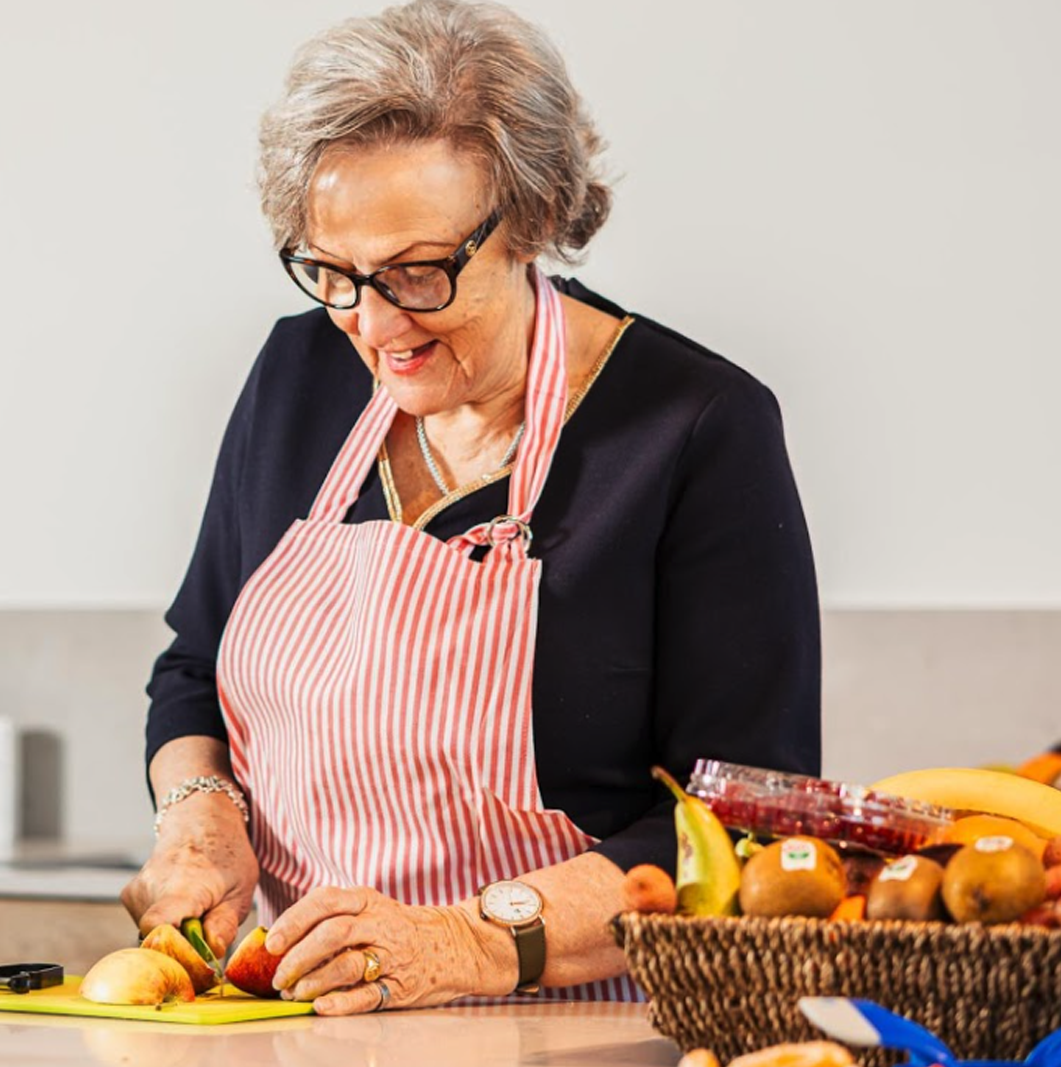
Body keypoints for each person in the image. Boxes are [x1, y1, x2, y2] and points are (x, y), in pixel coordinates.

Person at [121, 0, 820, 1013]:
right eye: (332, 271)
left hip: (579, 1030)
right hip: (311, 1022)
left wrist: (466, 941)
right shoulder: (297, 374)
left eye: (418, 272)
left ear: (532, 221)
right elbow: (194, 665)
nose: (372, 323)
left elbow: (746, 821)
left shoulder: (695, 428)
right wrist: (199, 819)